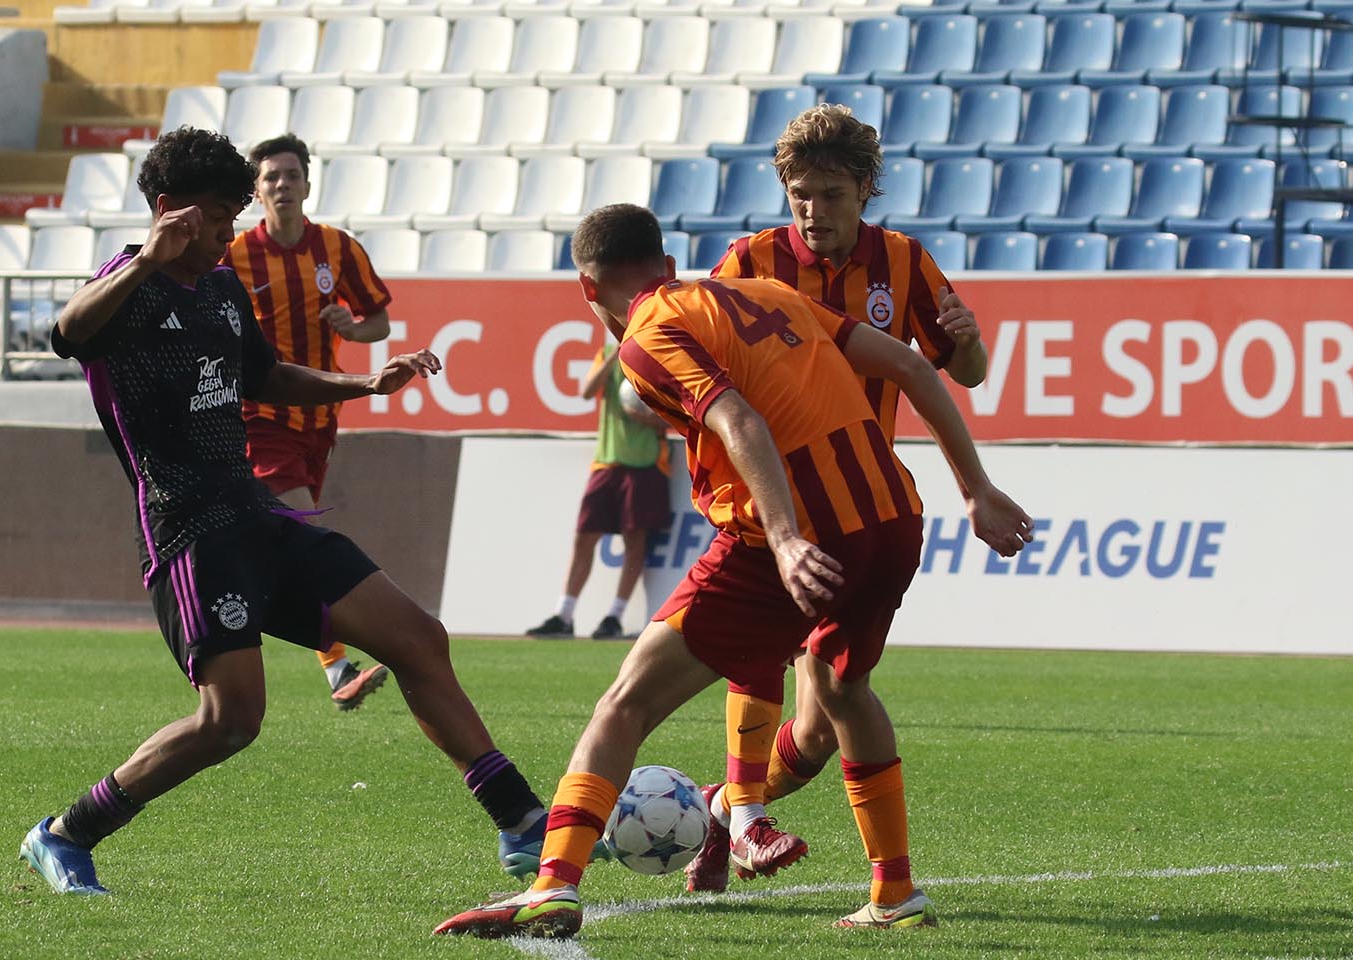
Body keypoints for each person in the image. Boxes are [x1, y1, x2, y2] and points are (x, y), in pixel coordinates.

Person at [434, 203, 1033, 939]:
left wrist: (782, 540)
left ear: (589, 292)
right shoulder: (769, 295)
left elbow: (739, 420)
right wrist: (975, 488)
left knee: (625, 703)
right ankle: (893, 893)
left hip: (790, 537)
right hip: (891, 521)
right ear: (668, 264)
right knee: (843, 689)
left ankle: (553, 883)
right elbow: (910, 364)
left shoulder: (650, 333)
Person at [18, 127, 557, 896]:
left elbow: (263, 375)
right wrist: (143, 257)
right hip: (191, 535)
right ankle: (66, 833)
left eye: (235, 217)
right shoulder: (127, 287)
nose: (228, 234)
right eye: (216, 218)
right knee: (231, 722)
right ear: (169, 212)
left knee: (417, 637)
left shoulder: (219, 284)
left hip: (256, 513)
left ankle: (518, 821)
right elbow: (67, 332)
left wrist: (363, 386)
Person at [687, 103, 994, 895]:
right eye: (799, 193)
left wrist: (966, 340)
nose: (813, 211)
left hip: (861, 507)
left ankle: (723, 809)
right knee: (762, 650)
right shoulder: (748, 261)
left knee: (820, 729)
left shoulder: (903, 262)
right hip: (778, 502)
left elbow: (958, 374)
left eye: (829, 193)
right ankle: (766, 825)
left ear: (864, 189)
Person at [224, 133, 395, 711]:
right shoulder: (236, 254)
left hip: (319, 416)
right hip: (259, 415)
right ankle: (342, 661)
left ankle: (329, 662)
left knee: (283, 549)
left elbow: (378, 323)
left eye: (291, 175)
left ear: (307, 183)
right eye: (271, 177)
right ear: (257, 189)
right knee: (302, 530)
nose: (282, 185)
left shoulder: (337, 250)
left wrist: (351, 328)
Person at [523, 341, 672, 640]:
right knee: (584, 537)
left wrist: (652, 419)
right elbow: (587, 391)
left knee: (635, 540)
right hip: (606, 461)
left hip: (646, 461)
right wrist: (615, 356)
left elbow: (675, 413)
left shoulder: (659, 355)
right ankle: (564, 615)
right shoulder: (608, 353)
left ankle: (614, 616)